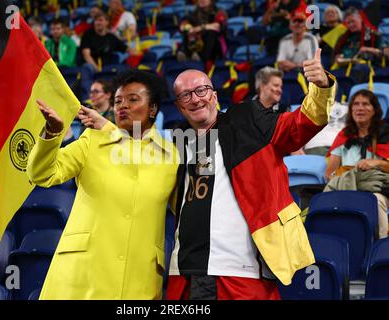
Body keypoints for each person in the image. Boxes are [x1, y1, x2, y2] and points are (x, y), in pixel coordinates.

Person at [167, 48, 336, 300]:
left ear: (214, 95)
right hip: (185, 271)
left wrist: (321, 87)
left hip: (241, 270)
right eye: (185, 95)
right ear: (179, 106)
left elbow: (300, 126)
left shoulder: (248, 118)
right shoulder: (177, 142)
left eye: (201, 90)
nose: (195, 99)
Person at [26, 70, 179, 299]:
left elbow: (186, 214)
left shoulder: (171, 157)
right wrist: (52, 133)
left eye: (133, 99)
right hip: (81, 277)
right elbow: (42, 174)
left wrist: (109, 129)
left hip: (138, 282)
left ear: (153, 109)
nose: (122, 106)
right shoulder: (91, 141)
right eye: (118, 101)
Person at [324, 89, 389, 239]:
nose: (360, 108)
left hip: (378, 189)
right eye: (356, 104)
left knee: (375, 200)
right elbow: (329, 173)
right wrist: (345, 175)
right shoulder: (344, 136)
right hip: (348, 186)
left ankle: (380, 247)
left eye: (365, 104)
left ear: (375, 110)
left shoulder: (385, 134)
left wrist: (376, 163)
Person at [79, 11, 131, 101]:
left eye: (100, 20)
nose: (97, 22)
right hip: (92, 66)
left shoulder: (111, 37)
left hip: (107, 67)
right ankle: (90, 98)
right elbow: (86, 55)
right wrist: (96, 69)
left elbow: (127, 49)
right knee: (86, 67)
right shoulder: (88, 35)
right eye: (96, 20)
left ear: (107, 22)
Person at [333, 7, 385, 82]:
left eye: (353, 21)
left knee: (359, 68)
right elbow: (336, 55)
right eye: (348, 23)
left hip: (368, 65)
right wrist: (337, 58)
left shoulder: (373, 35)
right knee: (329, 75)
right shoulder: (343, 38)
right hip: (345, 66)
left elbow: (384, 53)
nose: (351, 25)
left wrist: (368, 49)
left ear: (360, 19)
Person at [176, 0, 227, 71]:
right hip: (198, 43)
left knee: (211, 32)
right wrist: (188, 27)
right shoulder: (194, 13)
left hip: (215, 48)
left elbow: (217, 26)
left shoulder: (219, 12)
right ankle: (185, 54)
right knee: (187, 31)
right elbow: (182, 26)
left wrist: (198, 28)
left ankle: (200, 58)